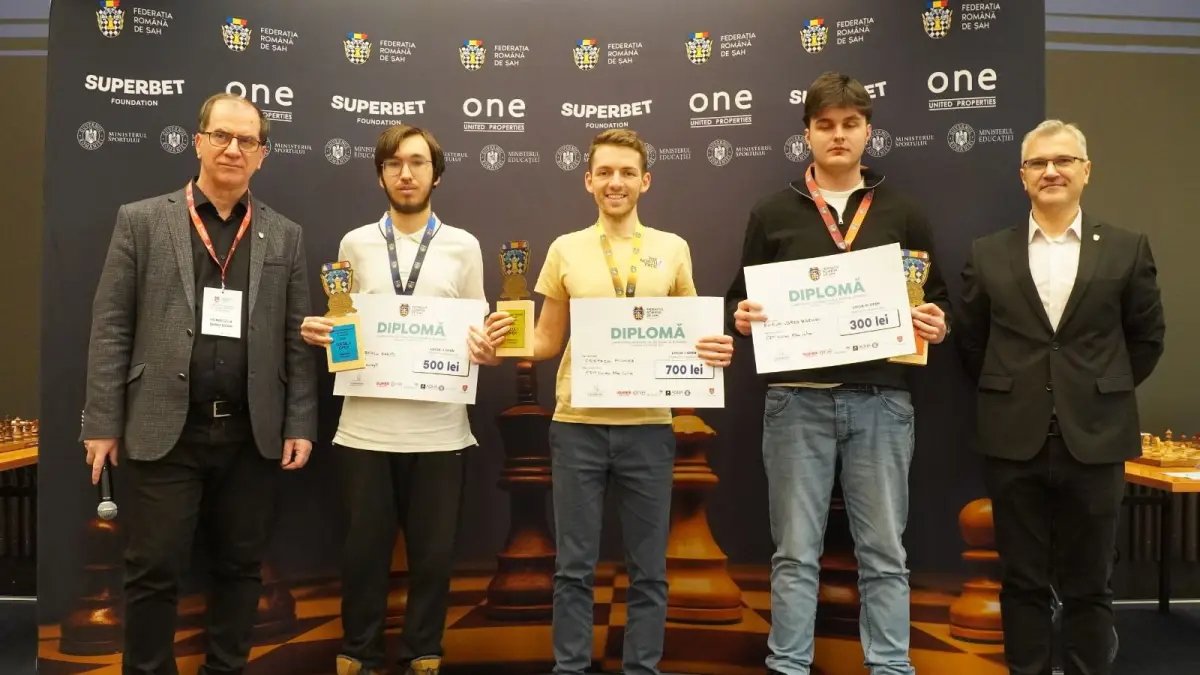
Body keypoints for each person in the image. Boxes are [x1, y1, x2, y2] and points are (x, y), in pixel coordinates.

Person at [480, 129, 734, 675]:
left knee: (649, 571)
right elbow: (547, 340)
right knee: (573, 568)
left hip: (649, 428)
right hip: (577, 427)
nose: (615, 182)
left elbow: (693, 333)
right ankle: (570, 668)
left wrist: (714, 348)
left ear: (645, 181)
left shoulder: (673, 248)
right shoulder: (565, 249)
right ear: (588, 181)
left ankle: (642, 668)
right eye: (605, 173)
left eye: (626, 173)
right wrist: (503, 343)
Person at [80, 92, 317, 675]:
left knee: (240, 569)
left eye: (247, 140)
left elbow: (297, 337)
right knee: (154, 569)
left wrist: (300, 422)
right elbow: (111, 327)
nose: (233, 149)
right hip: (165, 429)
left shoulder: (284, 235)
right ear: (198, 142)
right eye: (221, 136)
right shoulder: (142, 220)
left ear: (262, 154)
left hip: (251, 433)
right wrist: (103, 422)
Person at [723, 71, 950, 675]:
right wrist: (740, 318)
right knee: (795, 552)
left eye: (850, 123)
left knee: (884, 552)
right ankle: (788, 666)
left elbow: (937, 297)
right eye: (825, 125)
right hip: (796, 400)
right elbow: (736, 300)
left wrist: (937, 322)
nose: (838, 135)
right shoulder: (772, 212)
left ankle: (891, 667)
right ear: (807, 134)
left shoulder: (903, 211)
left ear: (868, 130)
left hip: (882, 400)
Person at [955, 119, 1165, 675]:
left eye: (1064, 160)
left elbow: (1146, 340)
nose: (1051, 171)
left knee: (1090, 585)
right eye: (1038, 163)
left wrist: (1095, 390)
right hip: (1012, 439)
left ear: (1086, 171)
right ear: (1022, 176)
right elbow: (971, 343)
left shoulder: (1126, 248)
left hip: (1096, 438)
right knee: (1021, 582)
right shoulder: (988, 252)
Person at [299, 125, 508, 675]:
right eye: (393, 163)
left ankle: (423, 651)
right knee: (362, 553)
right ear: (381, 175)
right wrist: (329, 336)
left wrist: (487, 351)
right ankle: (359, 650)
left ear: (436, 174)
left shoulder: (463, 246)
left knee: (434, 557)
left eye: (417, 162)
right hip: (364, 430)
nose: (406, 173)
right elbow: (346, 328)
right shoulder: (354, 244)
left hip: (441, 432)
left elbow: (477, 333)